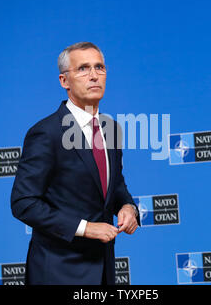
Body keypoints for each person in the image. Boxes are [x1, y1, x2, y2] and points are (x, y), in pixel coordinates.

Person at [10, 42, 140, 285]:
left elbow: (115, 187)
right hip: (59, 272)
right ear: (64, 81)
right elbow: (23, 203)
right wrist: (86, 228)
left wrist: (128, 208)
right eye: (83, 68)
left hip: (103, 271)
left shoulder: (110, 129)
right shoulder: (46, 133)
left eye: (99, 67)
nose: (93, 75)